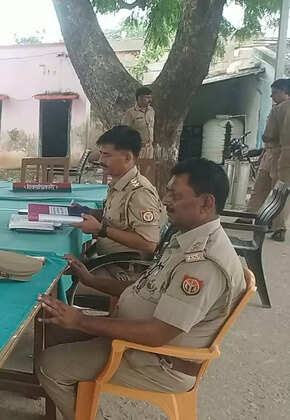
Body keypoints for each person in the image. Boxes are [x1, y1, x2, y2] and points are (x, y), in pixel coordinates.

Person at [36, 158, 245, 420]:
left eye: (175, 195)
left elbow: (157, 334)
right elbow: (146, 288)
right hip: (134, 337)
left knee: (49, 365)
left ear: (206, 203)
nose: (165, 201)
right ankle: (81, 401)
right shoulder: (188, 237)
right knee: (53, 330)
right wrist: (90, 280)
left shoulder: (203, 263)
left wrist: (82, 320)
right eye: (167, 192)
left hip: (156, 359)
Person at [72, 125, 163, 287]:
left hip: (123, 270)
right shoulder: (119, 183)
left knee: (60, 277)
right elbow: (117, 218)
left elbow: (149, 244)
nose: (101, 160)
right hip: (105, 259)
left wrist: (101, 230)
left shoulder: (139, 193)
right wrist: (88, 212)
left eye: (107, 155)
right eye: (101, 153)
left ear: (127, 157)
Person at [246, 79, 290, 241]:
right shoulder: (278, 108)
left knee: (278, 192)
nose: (272, 96)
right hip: (271, 153)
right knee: (262, 186)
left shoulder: (281, 109)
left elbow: (269, 135)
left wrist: (266, 139)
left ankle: (279, 228)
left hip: (281, 154)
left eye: (275, 92)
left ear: (286, 92)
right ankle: (250, 215)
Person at [122, 86, 154, 160]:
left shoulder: (151, 111)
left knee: (147, 167)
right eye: (147, 97)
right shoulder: (130, 113)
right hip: (136, 149)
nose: (150, 100)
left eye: (150, 97)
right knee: (136, 166)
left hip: (149, 149)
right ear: (140, 98)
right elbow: (124, 132)